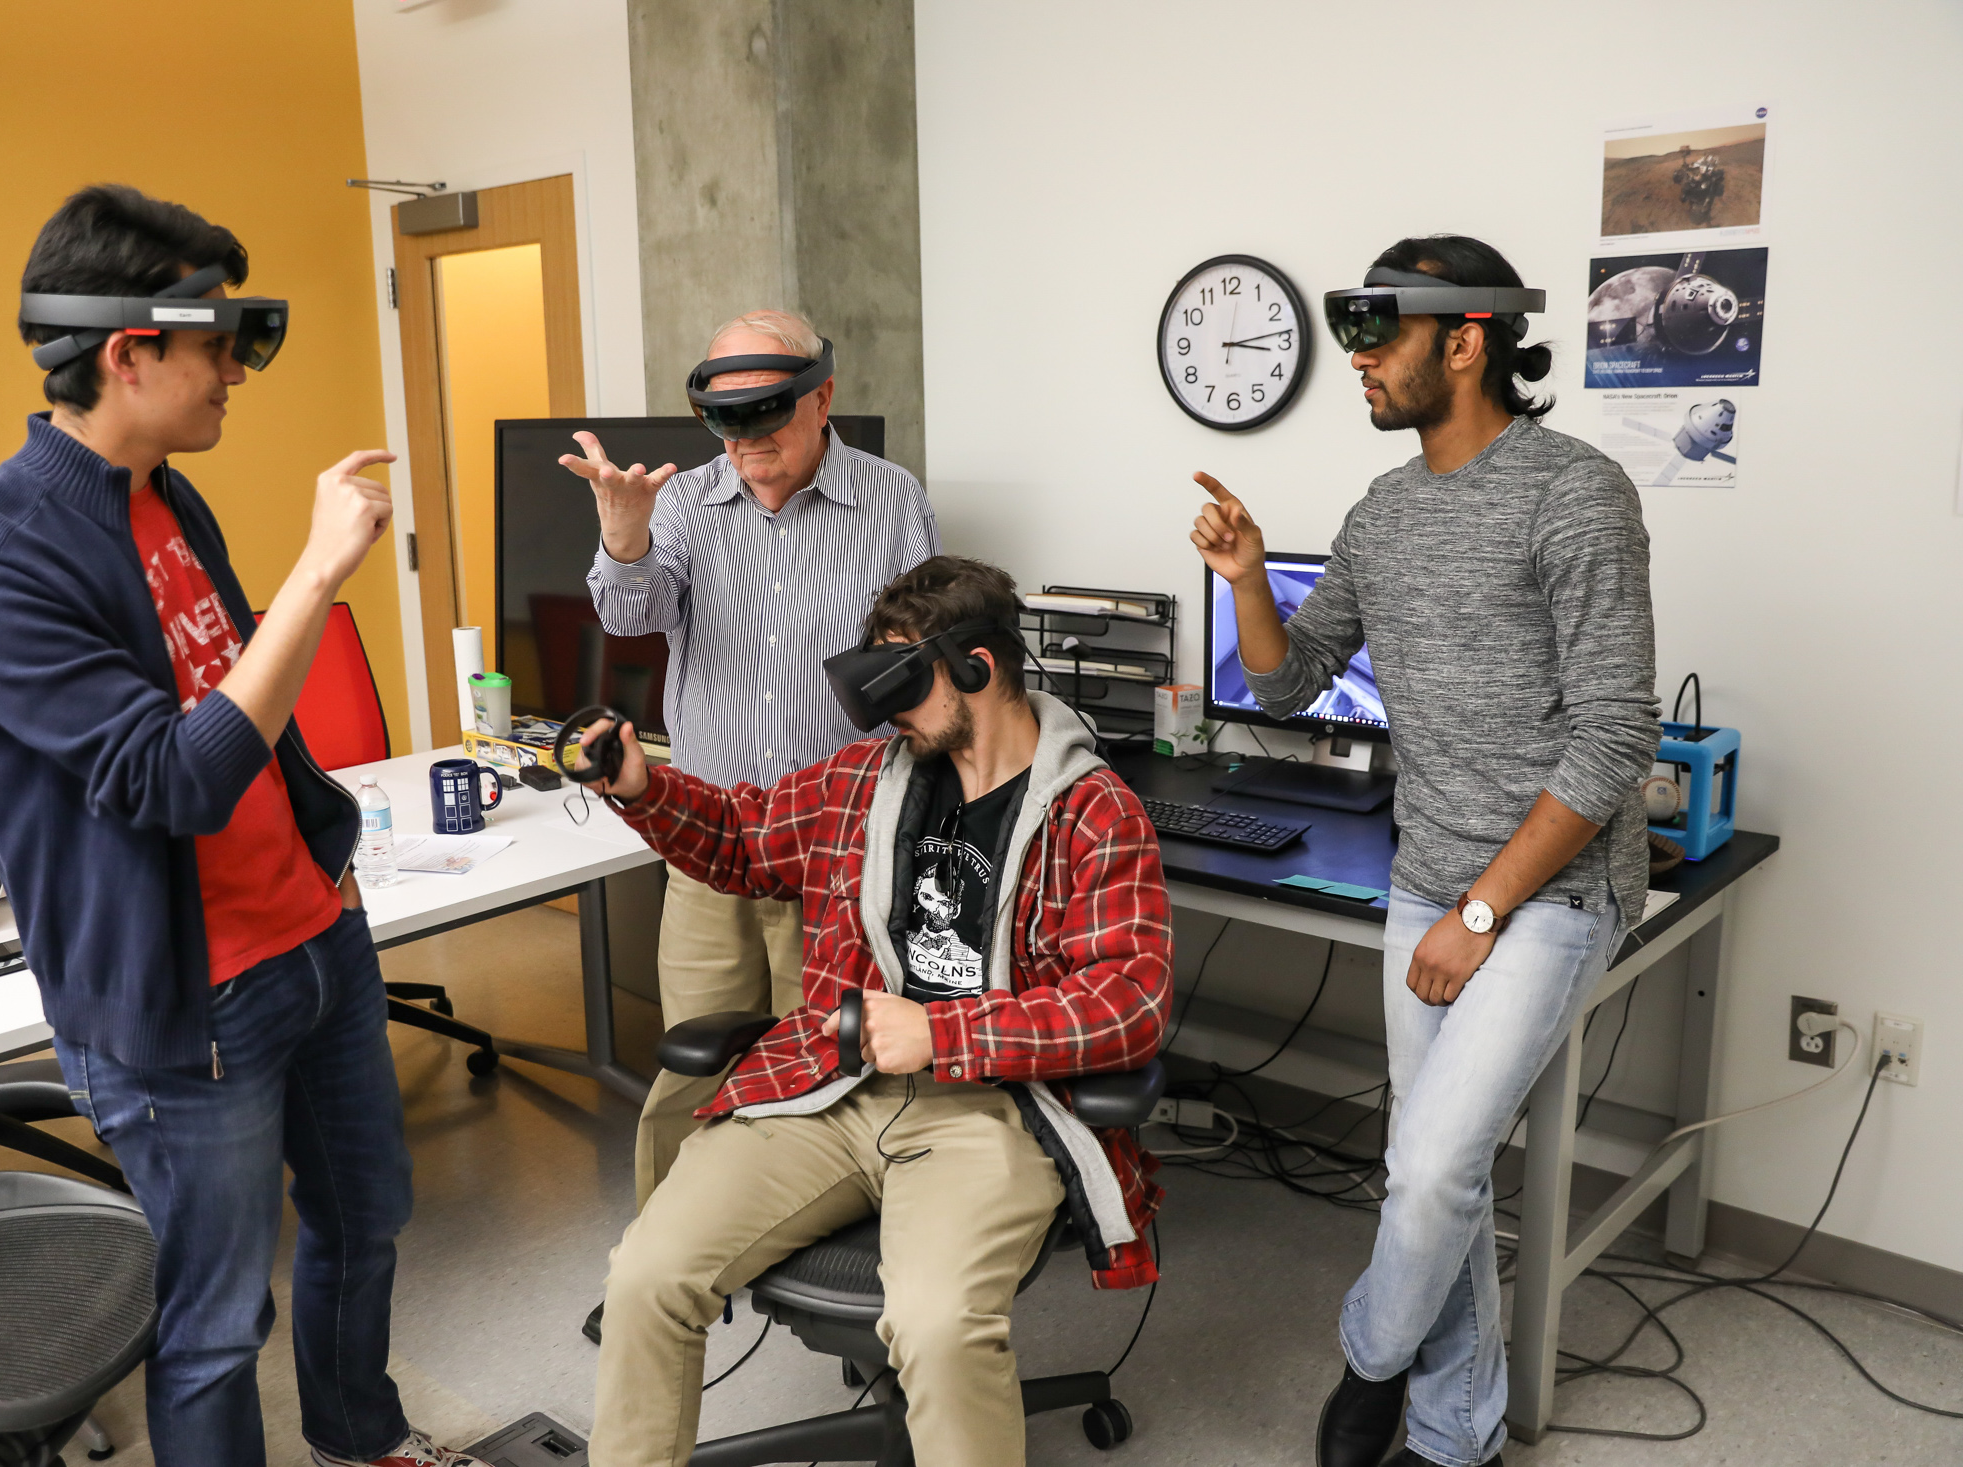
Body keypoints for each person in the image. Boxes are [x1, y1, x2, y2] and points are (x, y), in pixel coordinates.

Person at [0, 185, 486, 1467]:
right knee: (219, 1321)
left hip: (315, 936)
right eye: (217, 340)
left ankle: (362, 1437)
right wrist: (319, 571)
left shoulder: (170, 495)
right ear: (130, 350)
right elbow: (175, 779)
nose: (236, 369)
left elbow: (250, 705)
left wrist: (329, 857)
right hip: (190, 1004)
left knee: (365, 1219)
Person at [1190, 235, 1658, 1467]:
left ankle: (1366, 1366)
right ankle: (1458, 1440)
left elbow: (1615, 739)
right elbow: (1287, 690)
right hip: (1421, 879)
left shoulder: (1574, 491)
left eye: (1376, 337)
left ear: (1466, 340)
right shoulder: (1382, 514)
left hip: (1548, 891)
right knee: (1428, 1180)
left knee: (1432, 1170)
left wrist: (1484, 913)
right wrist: (1246, 578)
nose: (1355, 362)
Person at [578, 555, 1171, 1467]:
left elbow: (1126, 1003)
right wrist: (643, 787)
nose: (888, 711)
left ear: (977, 666)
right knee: (647, 1277)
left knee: (936, 1324)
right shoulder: (866, 778)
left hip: (990, 1108)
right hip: (830, 1088)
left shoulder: (1094, 812)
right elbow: (742, 838)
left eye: (906, 681)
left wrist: (944, 1032)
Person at [563, 309, 940, 1211]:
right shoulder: (684, 503)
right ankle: (662, 1264)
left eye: (765, 416)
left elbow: (921, 669)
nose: (744, 443)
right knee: (694, 1067)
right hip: (711, 844)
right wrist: (624, 538)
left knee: (837, 1071)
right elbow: (628, 615)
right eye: (724, 422)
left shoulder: (893, 501)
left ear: (823, 399)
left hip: (843, 852)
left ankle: (829, 1247)